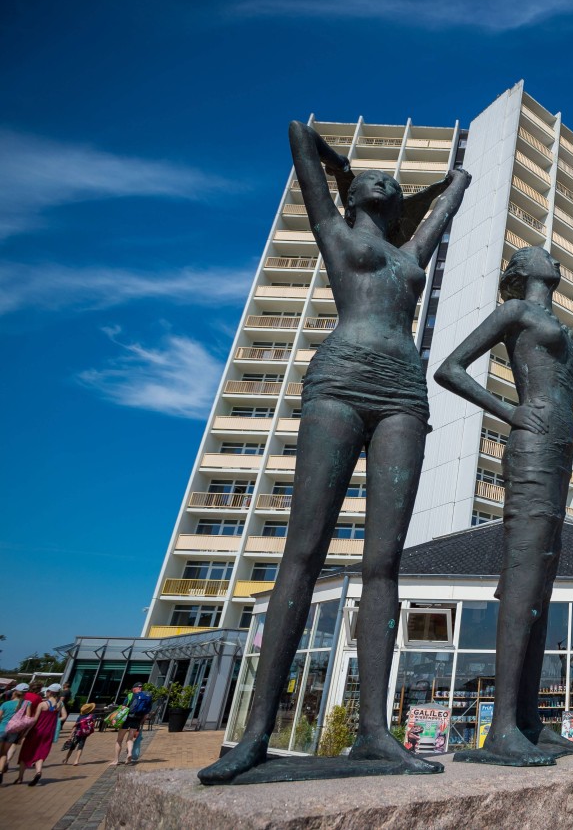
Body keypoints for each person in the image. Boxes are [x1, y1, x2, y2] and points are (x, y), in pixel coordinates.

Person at [199, 122, 470, 786]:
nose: (387, 182)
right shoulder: (336, 230)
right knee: (303, 548)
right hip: (340, 380)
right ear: (351, 194)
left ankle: (375, 730)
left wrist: (441, 185)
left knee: (384, 562)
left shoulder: (411, 254)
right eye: (375, 178)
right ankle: (257, 732)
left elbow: (456, 192)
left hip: (402, 390)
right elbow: (297, 137)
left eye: (394, 181)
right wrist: (342, 164)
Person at [435, 246, 573, 766]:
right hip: (533, 445)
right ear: (520, 273)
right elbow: (450, 368)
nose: (550, 256)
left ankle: (527, 721)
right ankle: (501, 727)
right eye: (534, 253)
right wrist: (512, 412)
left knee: (541, 582)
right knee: (524, 576)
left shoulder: (561, 327)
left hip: (561, 451)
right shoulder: (515, 312)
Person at [14, 684, 66, 786]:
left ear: (50, 692)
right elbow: (64, 716)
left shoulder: (42, 704)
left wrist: (25, 732)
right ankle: (38, 771)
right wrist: (56, 721)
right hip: (49, 732)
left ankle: (20, 778)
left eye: (47, 691)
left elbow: (35, 720)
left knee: (26, 752)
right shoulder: (60, 704)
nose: (46, 693)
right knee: (41, 753)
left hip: (37, 731)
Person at [0, 683, 37, 781]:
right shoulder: (27, 703)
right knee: (4, 753)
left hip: (2, 729)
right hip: (14, 732)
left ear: (15, 692)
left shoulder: (5, 704)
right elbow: (27, 720)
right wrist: (22, 734)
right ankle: (0, 772)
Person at [111, 683, 150, 766]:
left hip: (126, 719)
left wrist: (116, 718)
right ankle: (129, 754)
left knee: (119, 739)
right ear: (141, 688)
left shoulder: (130, 695)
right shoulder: (146, 697)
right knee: (130, 739)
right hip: (137, 719)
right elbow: (146, 714)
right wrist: (141, 721)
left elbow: (123, 708)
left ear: (134, 688)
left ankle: (116, 760)